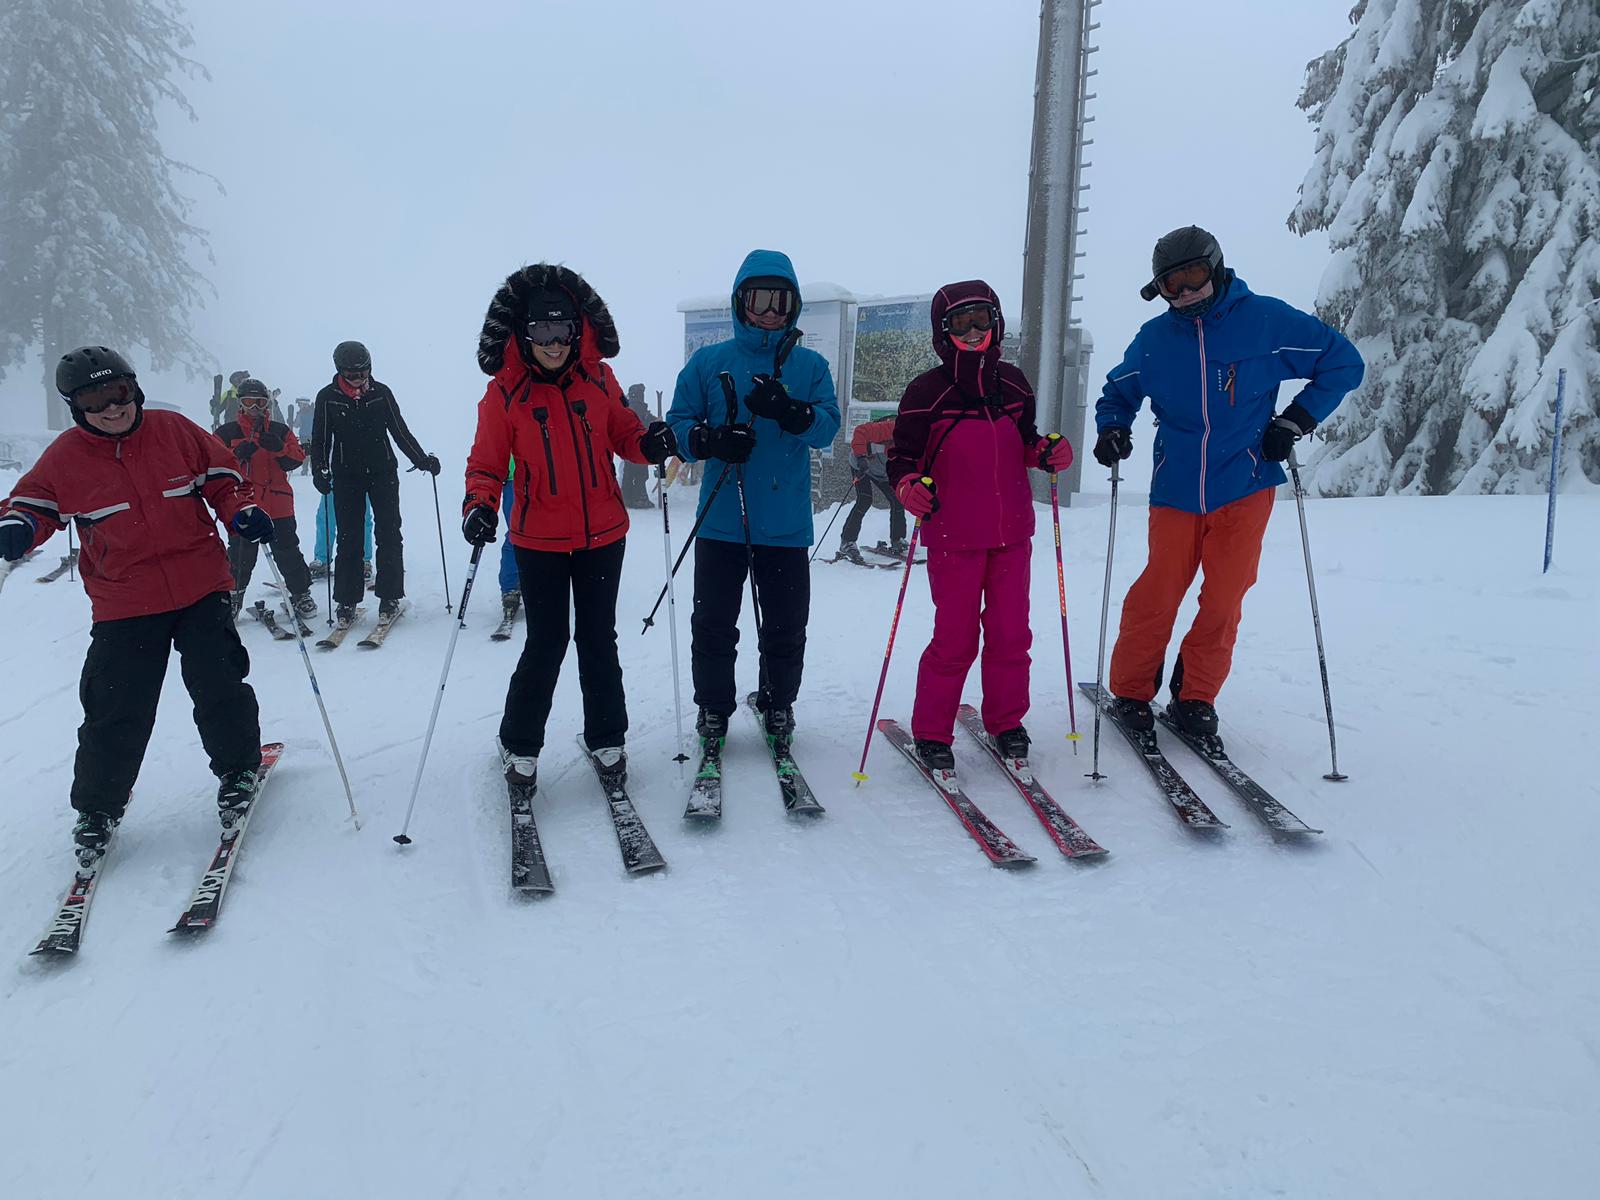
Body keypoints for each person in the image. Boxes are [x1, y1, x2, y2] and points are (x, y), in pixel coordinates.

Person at [0, 346, 272, 863]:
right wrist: (19, 525)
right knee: (114, 706)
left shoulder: (174, 431)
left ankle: (239, 770)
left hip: (199, 586)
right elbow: (30, 504)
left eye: (118, 393)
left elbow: (224, 479)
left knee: (219, 684)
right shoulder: (66, 457)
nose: (111, 408)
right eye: (94, 400)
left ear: (134, 389)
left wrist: (241, 511)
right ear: (75, 407)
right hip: (124, 601)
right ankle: (98, 808)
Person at [1094, 226, 1364, 740]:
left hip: (1245, 483)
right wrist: (1112, 427)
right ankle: (1131, 691)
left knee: (1223, 598)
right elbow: (1119, 392)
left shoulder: (1265, 321)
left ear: (1215, 269)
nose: (1185, 291)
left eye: (1194, 276)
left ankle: (1195, 696)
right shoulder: (1154, 340)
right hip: (1175, 489)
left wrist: (1295, 420)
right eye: (1171, 283)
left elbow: (1343, 362)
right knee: (1158, 592)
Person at [461, 264, 676, 785]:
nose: (553, 344)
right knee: (548, 641)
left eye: (562, 330)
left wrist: (649, 444)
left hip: (604, 534)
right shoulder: (504, 393)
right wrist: (479, 505)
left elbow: (625, 435)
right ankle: (518, 742)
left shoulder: (599, 378)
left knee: (599, 638)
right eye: (541, 331)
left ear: (576, 330)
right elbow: (486, 464)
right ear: (524, 333)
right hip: (538, 540)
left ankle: (606, 737)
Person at [886, 282, 1073, 773]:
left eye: (981, 320)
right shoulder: (926, 391)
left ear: (996, 323)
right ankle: (932, 731)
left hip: (1012, 534)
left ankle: (1006, 722)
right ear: (942, 331)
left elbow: (1026, 440)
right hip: (954, 537)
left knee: (1012, 634)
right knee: (956, 638)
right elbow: (901, 457)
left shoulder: (1013, 384)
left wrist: (1047, 452)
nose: (972, 332)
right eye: (960, 322)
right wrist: (908, 486)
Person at [666, 250, 841, 752]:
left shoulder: (809, 366)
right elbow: (678, 425)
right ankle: (713, 707)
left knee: (785, 625)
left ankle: (777, 700)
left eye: (779, 301)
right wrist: (709, 440)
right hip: (720, 522)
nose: (769, 311)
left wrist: (791, 411)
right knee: (714, 624)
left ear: (794, 305)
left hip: (784, 524)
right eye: (759, 299)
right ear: (740, 301)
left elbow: (827, 428)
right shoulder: (709, 362)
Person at [309, 340, 439, 628]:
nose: (358, 378)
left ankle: (390, 596)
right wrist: (320, 470)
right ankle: (346, 600)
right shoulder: (328, 397)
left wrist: (421, 459)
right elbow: (320, 439)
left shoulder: (381, 393)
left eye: (363, 372)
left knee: (389, 534)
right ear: (339, 371)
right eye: (351, 374)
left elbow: (399, 430)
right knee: (349, 538)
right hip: (346, 476)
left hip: (383, 473)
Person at [216, 378, 316, 618]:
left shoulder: (279, 431)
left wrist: (279, 448)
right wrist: (236, 454)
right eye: (249, 402)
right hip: (243, 503)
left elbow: (296, 458)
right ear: (240, 403)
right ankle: (233, 595)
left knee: (287, 551)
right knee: (240, 555)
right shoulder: (227, 432)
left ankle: (301, 593)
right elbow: (212, 462)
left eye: (260, 402)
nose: (254, 408)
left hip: (277, 503)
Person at [837, 414, 907, 563]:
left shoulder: (917, 444)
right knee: (865, 500)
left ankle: (898, 539)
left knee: (897, 500)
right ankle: (847, 542)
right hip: (862, 465)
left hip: (883, 473)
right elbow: (860, 431)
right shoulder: (893, 428)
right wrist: (861, 457)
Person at [619, 384, 657, 509]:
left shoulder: (627, 407)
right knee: (640, 473)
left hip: (628, 446)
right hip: (639, 445)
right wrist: (654, 421)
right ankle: (639, 499)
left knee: (629, 472)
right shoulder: (638, 407)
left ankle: (627, 497)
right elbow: (642, 424)